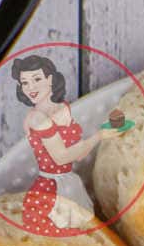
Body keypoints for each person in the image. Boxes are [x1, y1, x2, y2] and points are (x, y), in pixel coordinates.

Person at [12, 56, 119, 234]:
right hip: (55, 188)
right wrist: (99, 136)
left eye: (36, 79)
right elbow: (61, 156)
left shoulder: (58, 110)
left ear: (50, 79)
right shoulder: (38, 119)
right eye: (25, 82)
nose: (31, 87)